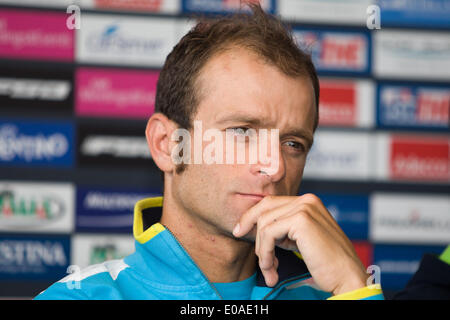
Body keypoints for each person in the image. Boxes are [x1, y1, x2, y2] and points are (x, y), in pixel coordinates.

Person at [35, 4, 383, 300]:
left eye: (293, 143)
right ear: (167, 145)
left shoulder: (341, 293)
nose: (274, 167)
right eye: (242, 132)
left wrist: (353, 286)